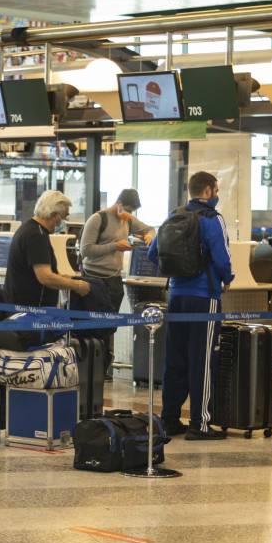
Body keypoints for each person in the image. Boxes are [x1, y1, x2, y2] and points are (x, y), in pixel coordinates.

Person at [147, 171, 234, 440]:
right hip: (204, 297)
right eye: (216, 190)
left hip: (175, 296)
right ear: (208, 191)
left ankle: (170, 420)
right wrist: (227, 278)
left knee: (176, 360)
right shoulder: (212, 219)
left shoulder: (174, 215)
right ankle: (201, 424)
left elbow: (152, 253)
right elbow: (222, 257)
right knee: (203, 360)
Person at [77, 188, 154, 375]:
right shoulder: (98, 219)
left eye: (132, 212)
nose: (129, 214)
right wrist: (115, 246)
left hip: (113, 280)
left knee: (110, 326)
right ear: (118, 203)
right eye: (127, 209)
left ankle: (104, 367)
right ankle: (89, 365)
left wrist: (149, 235)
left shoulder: (126, 219)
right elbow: (85, 250)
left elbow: (149, 228)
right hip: (93, 278)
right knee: (93, 326)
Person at [4, 190, 90, 309]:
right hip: (31, 311)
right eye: (64, 216)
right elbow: (45, 277)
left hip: (21, 305)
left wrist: (64, 278)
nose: (62, 222)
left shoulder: (29, 229)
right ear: (54, 214)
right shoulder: (36, 236)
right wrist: (77, 285)